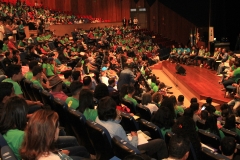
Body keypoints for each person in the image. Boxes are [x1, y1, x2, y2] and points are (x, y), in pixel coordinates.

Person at [95, 96, 168, 160]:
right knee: (160, 142)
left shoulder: (97, 119)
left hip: (113, 148)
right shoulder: (117, 128)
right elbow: (131, 147)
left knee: (147, 133)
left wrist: (118, 117)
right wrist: (135, 137)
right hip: (128, 152)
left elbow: (112, 124)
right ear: (112, 112)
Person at [20, 109, 90, 160]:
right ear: (50, 132)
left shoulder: (30, 150)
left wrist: (59, 153)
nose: (58, 129)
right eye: (57, 127)